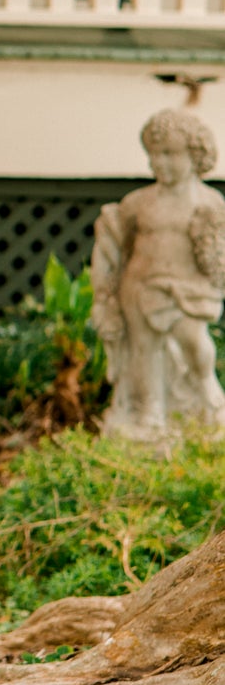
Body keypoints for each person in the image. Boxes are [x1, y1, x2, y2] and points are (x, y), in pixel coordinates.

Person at [92, 104, 225, 444]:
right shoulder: (138, 203)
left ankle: (206, 398)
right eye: (154, 155)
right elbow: (118, 245)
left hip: (186, 289)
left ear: (195, 154)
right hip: (138, 285)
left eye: (169, 154)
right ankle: (148, 413)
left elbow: (216, 253)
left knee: (196, 344)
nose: (159, 163)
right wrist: (105, 293)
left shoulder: (209, 203)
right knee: (144, 349)